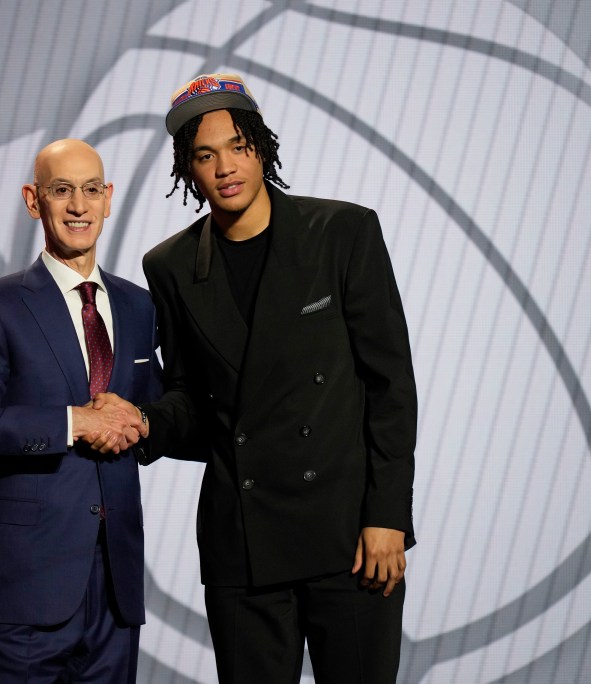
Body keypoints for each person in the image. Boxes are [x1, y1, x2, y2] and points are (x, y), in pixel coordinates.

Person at [95, 73, 417, 683]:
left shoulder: (342, 233)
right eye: (205, 154)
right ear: (187, 169)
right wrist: (143, 423)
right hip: (242, 547)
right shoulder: (168, 266)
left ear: (262, 149)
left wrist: (388, 517)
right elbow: (193, 398)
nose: (225, 167)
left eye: (238, 146)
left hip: (349, 537)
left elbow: (390, 388)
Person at [0, 139, 160, 682]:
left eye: (90, 191)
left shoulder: (138, 304)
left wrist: (142, 422)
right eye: (62, 191)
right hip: (25, 591)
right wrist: (75, 422)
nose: (78, 206)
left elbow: (155, 409)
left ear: (109, 199)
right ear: (34, 202)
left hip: (116, 591)